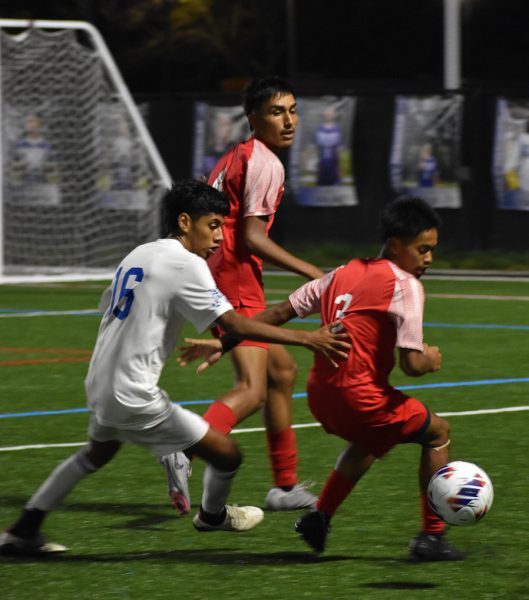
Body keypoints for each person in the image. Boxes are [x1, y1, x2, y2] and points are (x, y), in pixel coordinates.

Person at [0, 180, 349, 557]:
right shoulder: (188, 264)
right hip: (134, 392)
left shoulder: (139, 254)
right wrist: (307, 339)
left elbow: (119, 306)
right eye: (213, 225)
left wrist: (216, 340)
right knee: (228, 455)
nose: (219, 236)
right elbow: (235, 323)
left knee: (93, 455)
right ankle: (212, 516)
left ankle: (23, 530)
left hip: (100, 380)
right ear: (185, 222)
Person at [181, 196, 462, 561]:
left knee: (369, 439)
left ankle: (319, 519)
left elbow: (282, 311)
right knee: (437, 432)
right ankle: (432, 537)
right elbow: (411, 364)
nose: (428, 259)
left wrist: (225, 340)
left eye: (431, 251)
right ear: (395, 244)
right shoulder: (406, 284)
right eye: (422, 249)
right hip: (362, 397)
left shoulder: (341, 273)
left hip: (322, 397)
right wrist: (432, 358)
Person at [160, 76, 327, 512]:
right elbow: (251, 237)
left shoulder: (239, 154)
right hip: (232, 278)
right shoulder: (266, 162)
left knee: (281, 373)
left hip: (224, 273)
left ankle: (285, 486)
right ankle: (184, 448)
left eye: (293, 110)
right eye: (277, 112)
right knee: (252, 388)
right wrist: (312, 271)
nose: (288, 120)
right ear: (254, 118)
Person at [314, 106, 342, 186]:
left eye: (330, 114)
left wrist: (338, 168)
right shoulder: (319, 130)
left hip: (333, 166)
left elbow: (338, 150)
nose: (328, 115)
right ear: (324, 115)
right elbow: (316, 150)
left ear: (333, 115)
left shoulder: (337, 130)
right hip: (322, 166)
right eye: (327, 113)